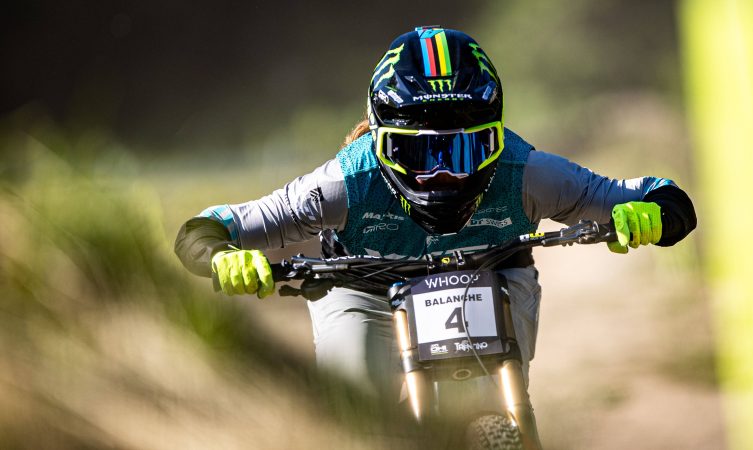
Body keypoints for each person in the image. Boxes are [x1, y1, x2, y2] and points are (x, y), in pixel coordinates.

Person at [174, 26, 696, 414]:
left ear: (497, 138)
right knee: (357, 416)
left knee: (486, 407)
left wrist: (649, 213)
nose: (445, 175)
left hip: (492, 274)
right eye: (419, 156)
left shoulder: (528, 172)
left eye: (468, 151)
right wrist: (222, 255)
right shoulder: (344, 183)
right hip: (363, 291)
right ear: (379, 146)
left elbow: (664, 196)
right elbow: (207, 228)